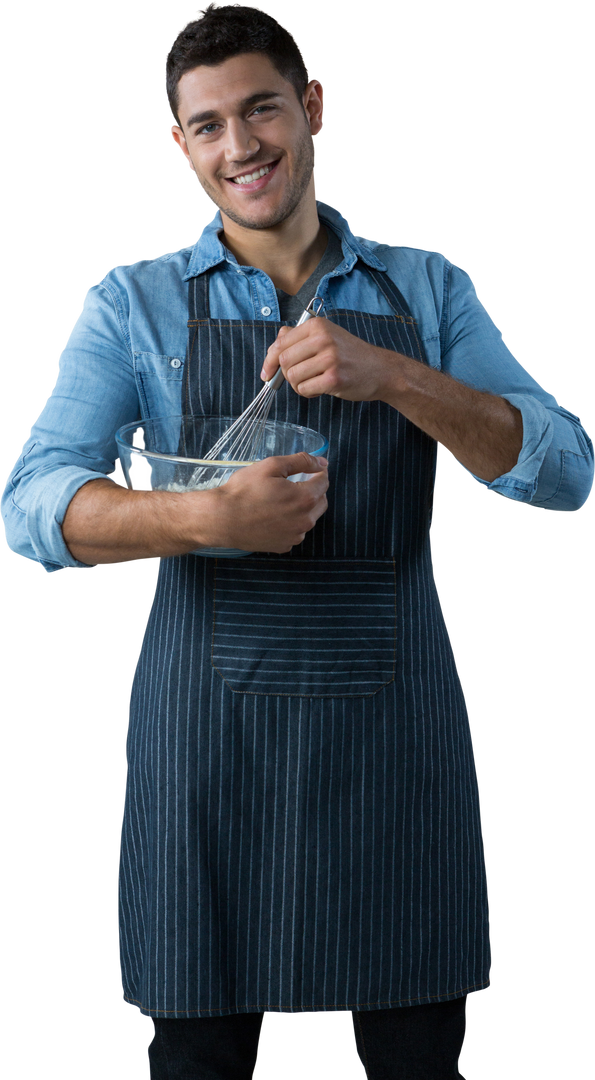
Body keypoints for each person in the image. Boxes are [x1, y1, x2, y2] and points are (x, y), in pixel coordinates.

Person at [2, 4, 594, 1078]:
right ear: (180, 144)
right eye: (210, 125)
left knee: (419, 1058)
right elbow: (30, 505)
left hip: (394, 744)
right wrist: (200, 518)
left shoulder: (426, 288)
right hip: (204, 752)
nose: (243, 148)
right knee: (194, 1059)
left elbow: (565, 473)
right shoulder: (129, 302)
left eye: (262, 108)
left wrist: (396, 376)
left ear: (312, 108)